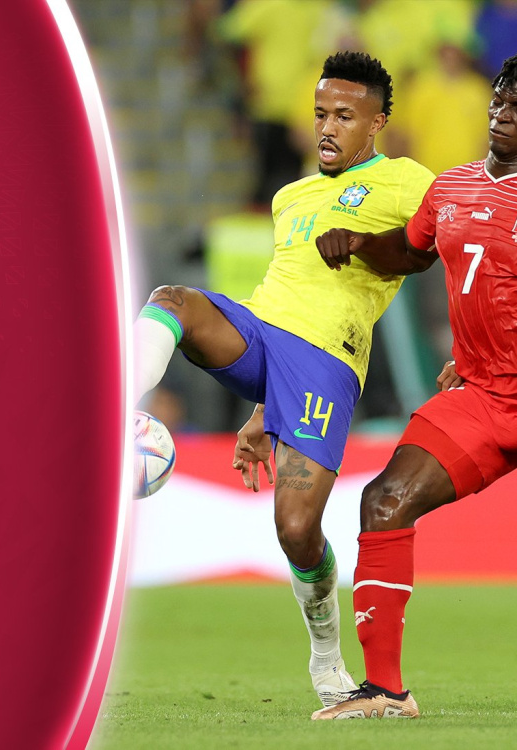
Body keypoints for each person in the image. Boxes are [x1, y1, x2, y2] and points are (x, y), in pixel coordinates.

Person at [133, 51, 434, 708]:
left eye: (345, 116)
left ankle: (326, 656)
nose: (327, 127)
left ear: (377, 123)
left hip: (327, 360)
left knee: (297, 529)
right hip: (262, 334)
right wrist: (260, 408)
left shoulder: (407, 181)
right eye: (321, 113)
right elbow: (285, 291)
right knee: (174, 300)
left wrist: (368, 244)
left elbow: (432, 247)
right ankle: (114, 412)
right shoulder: (290, 196)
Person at [310, 54, 517, 720]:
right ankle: (385, 692)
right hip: (483, 396)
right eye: (499, 101)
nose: (502, 115)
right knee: (384, 501)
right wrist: (360, 242)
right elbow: (412, 251)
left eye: (516, 108)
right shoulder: (453, 186)